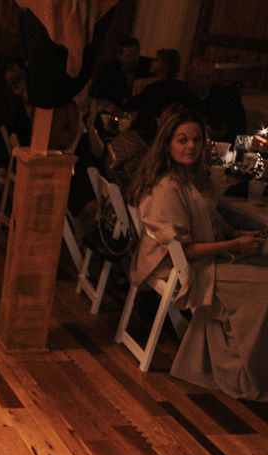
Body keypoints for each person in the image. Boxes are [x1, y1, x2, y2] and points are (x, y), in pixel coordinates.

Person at [128, 110, 268, 401]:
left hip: (198, 259)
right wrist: (232, 247)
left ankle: (241, 358)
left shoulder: (194, 178)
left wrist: (234, 233)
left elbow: (209, 217)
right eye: (182, 140)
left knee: (260, 264)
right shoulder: (166, 187)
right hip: (178, 267)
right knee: (264, 282)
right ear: (167, 144)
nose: (190, 146)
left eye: (196, 139)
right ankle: (240, 368)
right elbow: (184, 251)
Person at [187, 56, 246, 142]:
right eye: (199, 77)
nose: (204, 82)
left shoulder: (228, 97)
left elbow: (242, 131)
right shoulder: (183, 96)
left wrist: (225, 133)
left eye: (208, 77)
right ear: (190, 77)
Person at [91, 37, 152, 108]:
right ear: (119, 57)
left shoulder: (147, 65)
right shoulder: (109, 69)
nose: (133, 59)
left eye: (135, 54)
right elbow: (95, 92)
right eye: (128, 56)